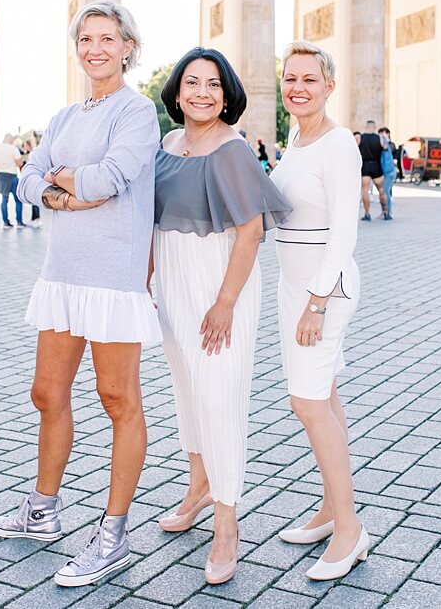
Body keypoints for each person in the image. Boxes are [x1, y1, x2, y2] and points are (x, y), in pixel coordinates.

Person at [0, 1, 161, 588]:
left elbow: (110, 180)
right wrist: (63, 189)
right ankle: (42, 512)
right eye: (86, 39)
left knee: (117, 399)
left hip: (113, 277)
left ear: (128, 46)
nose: (95, 49)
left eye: (107, 39)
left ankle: (113, 534)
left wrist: (63, 180)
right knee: (46, 392)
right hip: (62, 274)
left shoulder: (137, 113)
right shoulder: (64, 116)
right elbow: (28, 174)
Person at [152, 48, 290, 585]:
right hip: (174, 286)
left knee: (220, 398)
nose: (202, 93)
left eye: (213, 84)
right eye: (192, 83)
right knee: (188, 392)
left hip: (219, 290)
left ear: (227, 93)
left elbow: (251, 232)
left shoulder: (233, 151)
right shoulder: (166, 145)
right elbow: (154, 219)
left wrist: (225, 302)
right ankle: (199, 486)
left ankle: (227, 523)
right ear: (177, 91)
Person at [270, 40, 369, 581]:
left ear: (329, 86)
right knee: (325, 398)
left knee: (305, 405)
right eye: (290, 78)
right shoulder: (296, 138)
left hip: (322, 294)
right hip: (294, 289)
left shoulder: (338, 145)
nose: (298, 87)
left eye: (309, 78)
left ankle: (351, 529)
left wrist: (316, 302)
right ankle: (332, 509)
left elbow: (343, 236)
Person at [0, 134, 26, 229]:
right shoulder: (13, 149)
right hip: (12, 176)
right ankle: (19, 222)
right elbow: (20, 163)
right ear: (11, 140)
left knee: (4, 200)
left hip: (1, 176)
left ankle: (5, 223)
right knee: (18, 200)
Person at [357, 120, 389, 221]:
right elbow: (386, 148)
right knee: (381, 190)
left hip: (365, 166)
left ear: (366, 127)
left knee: (365, 190)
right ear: (374, 127)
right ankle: (385, 212)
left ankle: (367, 214)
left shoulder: (360, 137)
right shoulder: (379, 138)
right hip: (376, 166)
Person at [21, 139, 42, 227]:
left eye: (24, 145)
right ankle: (34, 219)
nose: (24, 147)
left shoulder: (33, 153)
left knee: (34, 200)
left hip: (34, 178)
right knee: (33, 200)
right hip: (34, 178)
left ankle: (36, 219)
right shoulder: (31, 153)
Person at [378, 127, 396, 216]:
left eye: (384, 133)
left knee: (386, 192)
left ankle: (388, 212)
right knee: (384, 192)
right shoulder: (382, 146)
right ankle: (385, 212)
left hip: (390, 172)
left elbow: (389, 147)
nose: (382, 135)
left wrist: (385, 138)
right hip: (385, 172)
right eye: (380, 133)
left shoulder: (389, 145)